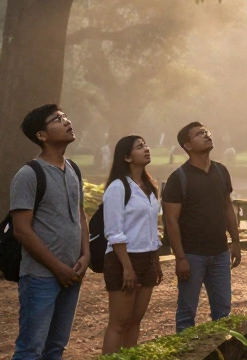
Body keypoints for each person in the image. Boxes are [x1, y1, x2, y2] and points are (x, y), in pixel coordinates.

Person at [10, 104, 90, 360]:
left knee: (56, 347)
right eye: (57, 119)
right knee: (30, 349)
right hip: (40, 277)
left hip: (73, 271)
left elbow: (80, 215)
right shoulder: (29, 174)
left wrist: (86, 255)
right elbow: (22, 231)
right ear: (41, 135)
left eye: (65, 116)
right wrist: (58, 268)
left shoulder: (74, 169)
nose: (66, 121)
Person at [163, 121, 242, 332]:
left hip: (220, 252)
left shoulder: (221, 171)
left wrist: (235, 241)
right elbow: (170, 220)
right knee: (187, 313)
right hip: (192, 255)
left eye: (207, 132)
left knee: (223, 312)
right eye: (199, 134)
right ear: (187, 146)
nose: (207, 135)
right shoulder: (178, 178)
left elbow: (227, 207)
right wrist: (180, 258)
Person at [100, 135, 162, 355]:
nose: (146, 149)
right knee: (119, 323)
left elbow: (151, 227)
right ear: (126, 157)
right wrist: (127, 267)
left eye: (146, 145)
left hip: (148, 258)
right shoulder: (118, 188)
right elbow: (114, 232)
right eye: (139, 147)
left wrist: (155, 260)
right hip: (124, 259)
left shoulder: (150, 187)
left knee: (136, 321)